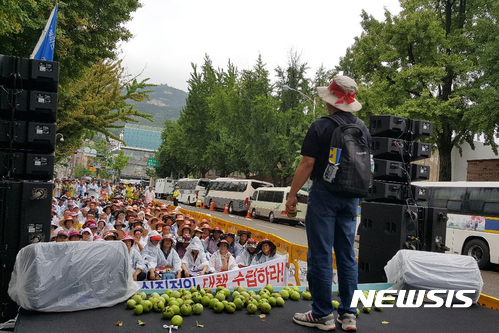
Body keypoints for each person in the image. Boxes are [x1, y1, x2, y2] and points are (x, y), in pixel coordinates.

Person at [287, 76, 368, 331]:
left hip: (324, 194)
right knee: (347, 256)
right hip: (351, 197)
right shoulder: (362, 127)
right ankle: (348, 314)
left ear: (330, 101)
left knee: (321, 255)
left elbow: (308, 164)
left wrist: (292, 195)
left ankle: (322, 314)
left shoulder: (320, 126)